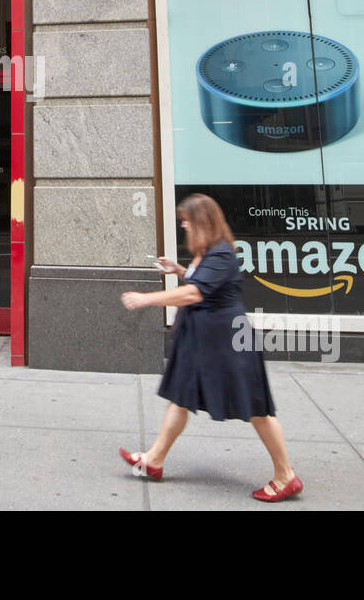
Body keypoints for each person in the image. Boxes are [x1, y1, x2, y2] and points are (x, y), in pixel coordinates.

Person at [119, 193, 302, 502]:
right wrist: (178, 269)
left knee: (256, 409)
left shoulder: (222, 254)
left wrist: (146, 299)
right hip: (203, 344)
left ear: (203, 222)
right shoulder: (208, 254)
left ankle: (286, 476)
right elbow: (198, 282)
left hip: (228, 345)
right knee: (180, 397)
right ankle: (154, 460)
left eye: (187, 220)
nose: (184, 225)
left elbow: (195, 294)